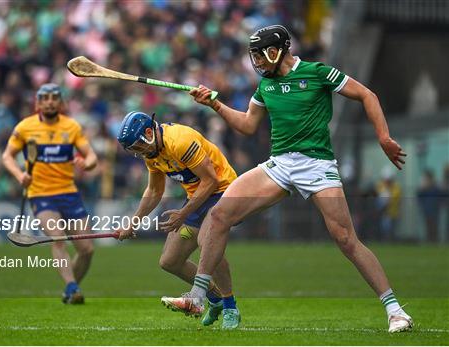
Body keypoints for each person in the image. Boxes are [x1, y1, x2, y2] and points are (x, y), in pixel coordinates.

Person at [162, 25, 412, 333]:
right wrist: (215, 104)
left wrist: (384, 138)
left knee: (346, 239)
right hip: (280, 164)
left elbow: (366, 94)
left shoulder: (318, 73)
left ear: (277, 49)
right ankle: (199, 296)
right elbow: (247, 125)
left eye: (260, 55)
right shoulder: (265, 86)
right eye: (253, 56)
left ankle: (395, 310)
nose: (257, 63)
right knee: (219, 215)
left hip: (317, 165)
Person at [116, 111, 241, 329]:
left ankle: (230, 307)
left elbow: (211, 181)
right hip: (197, 197)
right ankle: (216, 298)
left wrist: (183, 214)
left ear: (149, 132)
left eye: (138, 146)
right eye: (133, 149)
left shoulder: (180, 141)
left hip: (223, 190)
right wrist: (132, 222)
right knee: (170, 261)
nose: (139, 152)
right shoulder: (152, 153)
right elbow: (154, 190)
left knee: (207, 242)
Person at [2, 83, 98, 304]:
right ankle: (72, 287)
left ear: (61, 102)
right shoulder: (25, 127)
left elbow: (92, 156)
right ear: (37, 103)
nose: (50, 102)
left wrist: (86, 164)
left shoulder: (72, 127)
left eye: (54, 97)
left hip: (69, 193)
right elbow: (7, 156)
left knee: (87, 249)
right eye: (44, 98)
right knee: (58, 238)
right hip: (40, 194)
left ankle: (70, 287)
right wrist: (19, 175)